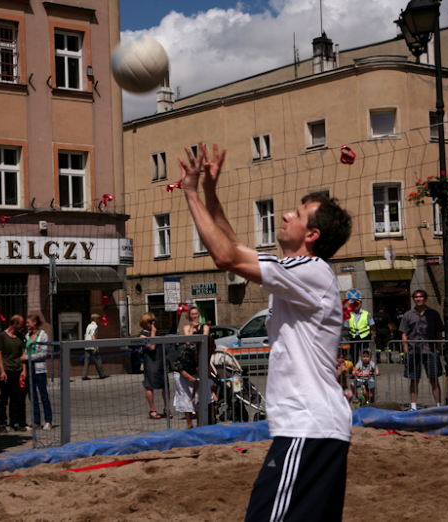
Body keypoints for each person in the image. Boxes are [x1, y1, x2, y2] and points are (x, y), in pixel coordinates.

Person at [179, 141, 353, 520]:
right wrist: (210, 190)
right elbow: (235, 247)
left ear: (312, 236)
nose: (287, 214)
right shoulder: (299, 273)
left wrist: (190, 192)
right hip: (317, 427)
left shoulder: (311, 271)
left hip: (308, 426)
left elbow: (224, 256)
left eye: (299, 213)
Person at [399, 290, 444, 412]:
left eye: (421, 297)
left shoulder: (433, 314)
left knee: (434, 379)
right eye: (416, 297)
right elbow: (404, 333)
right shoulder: (408, 315)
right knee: (414, 379)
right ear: (413, 299)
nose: (418, 299)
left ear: (425, 298)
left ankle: (439, 405)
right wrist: (405, 349)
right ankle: (413, 406)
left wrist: (438, 349)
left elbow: (439, 332)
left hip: (430, 350)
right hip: (414, 351)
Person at [0, 315, 27, 432]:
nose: (22, 326)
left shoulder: (20, 337)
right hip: (7, 369)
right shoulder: (2, 336)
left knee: (16, 398)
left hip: (17, 369)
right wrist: (2, 371)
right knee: (4, 398)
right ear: (14, 324)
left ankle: (15, 422)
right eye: (21, 324)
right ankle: (2, 423)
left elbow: (22, 355)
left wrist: (24, 370)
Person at [21, 314, 53, 430]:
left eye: (28, 322)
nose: (26, 325)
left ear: (34, 322)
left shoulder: (42, 335)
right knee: (32, 396)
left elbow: (43, 354)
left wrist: (27, 357)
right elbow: (24, 351)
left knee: (43, 395)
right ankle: (36, 422)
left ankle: (48, 421)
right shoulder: (27, 335)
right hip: (30, 369)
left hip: (39, 369)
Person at [138, 313, 168, 420]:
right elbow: (152, 347)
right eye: (151, 322)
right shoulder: (143, 335)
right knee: (150, 386)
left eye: (154, 321)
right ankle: (152, 410)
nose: (153, 323)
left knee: (165, 386)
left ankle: (166, 408)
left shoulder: (155, 332)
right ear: (145, 323)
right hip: (150, 363)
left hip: (160, 361)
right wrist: (153, 333)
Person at [344, 291, 374, 364]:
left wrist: (365, 332)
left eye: (357, 304)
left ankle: (365, 369)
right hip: (354, 337)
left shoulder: (366, 314)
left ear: (360, 304)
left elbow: (372, 325)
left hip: (364, 337)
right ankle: (355, 370)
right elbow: (346, 327)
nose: (356, 306)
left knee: (365, 354)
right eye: (354, 305)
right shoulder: (349, 314)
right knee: (354, 354)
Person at [82, 314, 107, 380]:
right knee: (98, 361)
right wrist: (95, 346)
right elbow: (93, 336)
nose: (99, 321)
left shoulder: (88, 325)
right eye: (98, 319)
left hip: (87, 345)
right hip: (92, 346)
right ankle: (102, 375)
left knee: (86, 362)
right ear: (96, 319)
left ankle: (84, 375)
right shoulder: (95, 326)